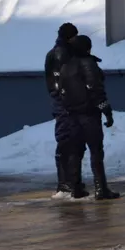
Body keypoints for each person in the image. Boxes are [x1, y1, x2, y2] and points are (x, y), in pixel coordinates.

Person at [57, 35, 120, 200]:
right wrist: (106, 110)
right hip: (89, 115)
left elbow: (61, 93)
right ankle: (101, 188)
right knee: (96, 151)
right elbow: (96, 91)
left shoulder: (65, 67)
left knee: (76, 152)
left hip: (72, 115)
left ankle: (76, 188)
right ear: (87, 48)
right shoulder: (88, 64)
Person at [44, 22, 85, 195]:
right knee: (67, 141)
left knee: (69, 141)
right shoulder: (63, 54)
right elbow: (62, 81)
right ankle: (66, 182)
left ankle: (69, 180)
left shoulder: (57, 53)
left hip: (63, 103)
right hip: (66, 104)